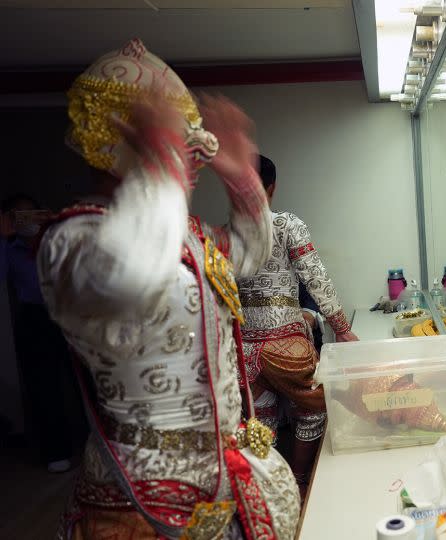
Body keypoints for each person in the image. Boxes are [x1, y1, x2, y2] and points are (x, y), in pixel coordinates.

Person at [38, 39, 301, 539]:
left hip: (222, 477)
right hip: (138, 491)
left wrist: (242, 179)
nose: (193, 156)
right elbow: (136, 277)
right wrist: (161, 170)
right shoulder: (73, 239)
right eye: (181, 143)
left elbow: (248, 254)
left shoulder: (184, 235)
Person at [237, 154, 357, 499]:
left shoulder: (224, 235)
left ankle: (274, 494)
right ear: (271, 188)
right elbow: (315, 277)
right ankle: (301, 483)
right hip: (284, 344)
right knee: (314, 409)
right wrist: (342, 327)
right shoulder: (286, 225)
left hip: (242, 348)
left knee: (262, 422)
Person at [1, 194, 82, 474]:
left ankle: (93, 444)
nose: (26, 222)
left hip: (69, 314)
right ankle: (55, 451)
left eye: (30, 215)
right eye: (17, 217)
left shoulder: (57, 240)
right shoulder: (9, 250)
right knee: (43, 387)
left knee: (83, 381)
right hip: (35, 318)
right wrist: (4, 235)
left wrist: (55, 227)